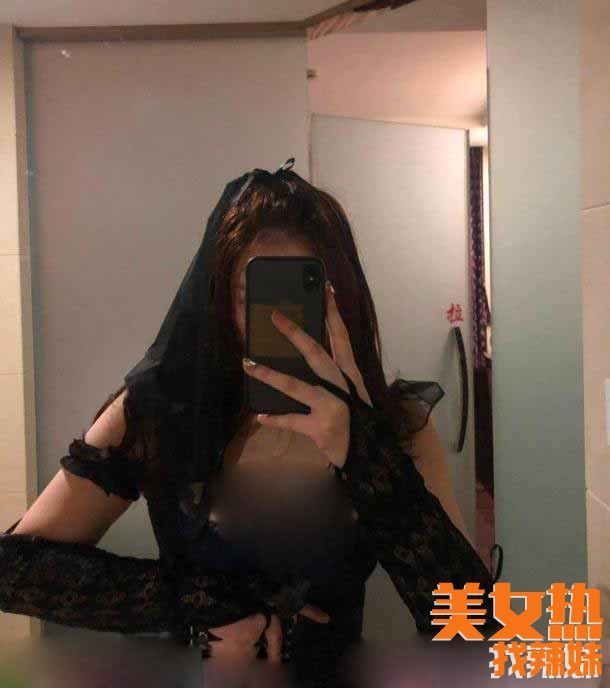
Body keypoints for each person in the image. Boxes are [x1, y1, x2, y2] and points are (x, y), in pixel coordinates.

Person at [0, 159, 500, 687]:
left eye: (303, 297)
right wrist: (205, 602)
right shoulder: (161, 411)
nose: (281, 324)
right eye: (254, 299)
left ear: (342, 301)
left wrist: (362, 448)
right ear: (217, 301)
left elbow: (473, 624)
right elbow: (13, 570)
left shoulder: (395, 427)